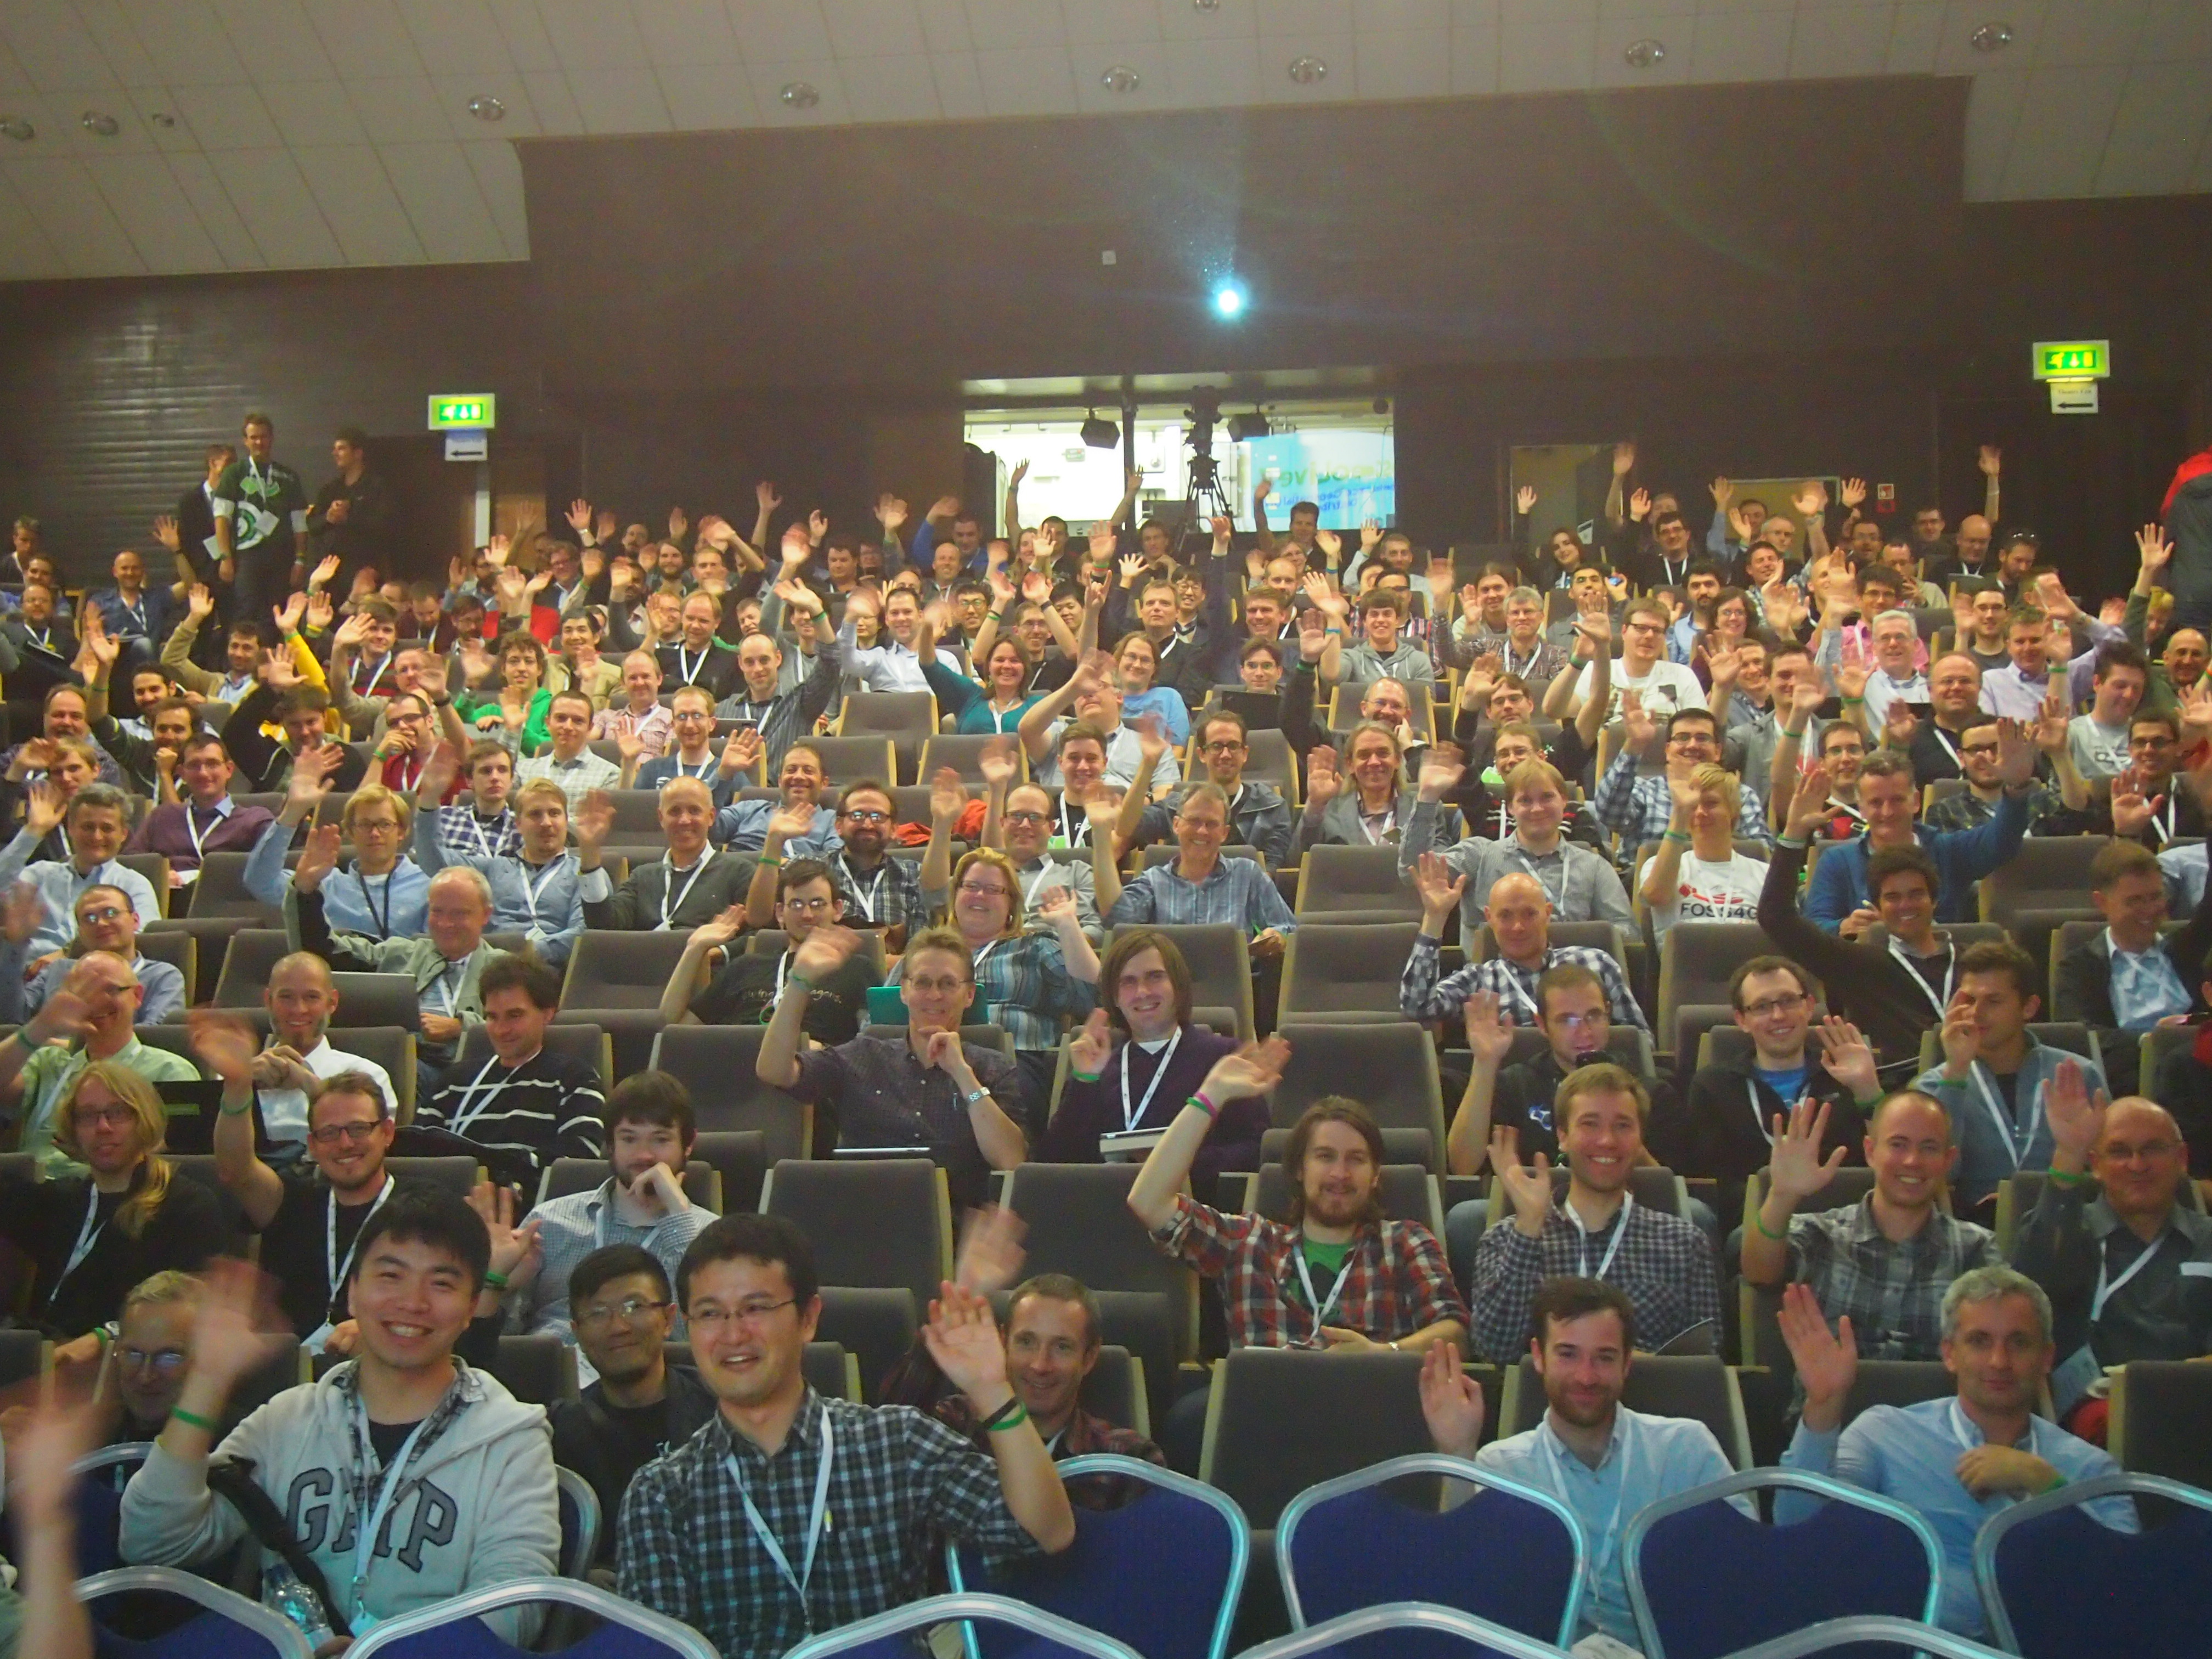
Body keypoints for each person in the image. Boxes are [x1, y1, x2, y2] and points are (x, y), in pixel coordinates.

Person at [620, 1210, 1076, 1654]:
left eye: (756, 1308)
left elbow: (1046, 1532)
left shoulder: (897, 1444)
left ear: (809, 1318)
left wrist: (993, 1391)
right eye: (710, 1314)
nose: (734, 1334)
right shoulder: (661, 1492)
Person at [118, 1204, 562, 1648]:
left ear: (471, 1308)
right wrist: (207, 1383)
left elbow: (513, 1612)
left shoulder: (513, 1438)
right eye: (391, 1276)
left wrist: (383, 1655)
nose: (413, 1302)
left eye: (442, 1283)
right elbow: (154, 1543)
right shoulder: (286, 1421)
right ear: (352, 1294)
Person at [1131, 1066, 1468, 1464]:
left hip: (1370, 1423)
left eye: (1356, 1160)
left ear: (1376, 1175)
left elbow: (1455, 1335)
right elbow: (1149, 1201)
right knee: (1191, 1419)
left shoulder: (1406, 1241)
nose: (1340, 1174)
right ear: (1298, 1169)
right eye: (1325, 1157)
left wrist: (1385, 1353)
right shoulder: (1249, 1242)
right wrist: (1211, 1096)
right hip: (1264, 1429)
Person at [1776, 1269, 2134, 1639]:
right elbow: (1800, 1531)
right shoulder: (1885, 1434)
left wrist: (2044, 1483)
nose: (1999, 1361)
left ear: (2046, 1358)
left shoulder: (2090, 1467)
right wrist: (1823, 1406)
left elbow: (2122, 1589)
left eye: (2019, 1343)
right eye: (1979, 1341)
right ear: (1949, 1353)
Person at [1420, 1279, 1750, 1652]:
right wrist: (1456, 1453)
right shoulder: (1501, 1467)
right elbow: (1462, 1588)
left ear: (1628, 1362)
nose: (1586, 1376)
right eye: (1568, 1354)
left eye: (1604, 1357)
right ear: (1539, 1357)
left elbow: (1742, 1576)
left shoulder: (1686, 1450)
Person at [759, 922, 1024, 1208]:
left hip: (956, 1223)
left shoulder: (993, 1068)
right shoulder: (862, 1054)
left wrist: (963, 1075)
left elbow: (1011, 1160)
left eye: (948, 984)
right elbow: (774, 1071)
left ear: (969, 995)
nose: (934, 995)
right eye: (922, 982)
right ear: (904, 991)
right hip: (864, 1215)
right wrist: (800, 983)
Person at [1468, 1064, 1720, 1361]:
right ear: (1562, 1136)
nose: (1607, 1141)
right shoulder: (1504, 1239)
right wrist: (1529, 1229)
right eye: (1590, 1124)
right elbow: (1494, 1353)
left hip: (1652, 1403)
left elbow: (1705, 1372)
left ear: (1641, 1139)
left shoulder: (1685, 1245)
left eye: (1623, 1126)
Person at [1745, 1090, 2001, 1373]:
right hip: (1833, 1412)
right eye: (1898, 1145)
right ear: (1870, 1152)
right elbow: (1759, 1273)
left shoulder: (1975, 1249)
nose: (1912, 1161)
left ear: (1948, 1160)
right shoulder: (1822, 1234)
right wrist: (1782, 1195)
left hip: (1933, 1413)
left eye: (1929, 1148)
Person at [198, 1009, 405, 1352]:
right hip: (288, 1370)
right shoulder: (291, 1199)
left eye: (358, 1129)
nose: (345, 1144)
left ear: (386, 1133)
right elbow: (236, 1169)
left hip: (384, 1358)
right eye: (329, 1133)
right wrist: (237, 1086)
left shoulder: (422, 1209)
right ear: (312, 1145)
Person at [2012, 1086, 2212, 1437]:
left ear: (2182, 1159)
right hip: (2085, 1425)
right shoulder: (2067, 1230)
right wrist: (2068, 1155)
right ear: (2096, 1165)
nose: (2137, 1165)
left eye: (2152, 1149)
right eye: (2119, 1152)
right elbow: (2025, 1291)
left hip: (2199, 1406)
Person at [488, 1073, 712, 1377]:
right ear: (610, 1145)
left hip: (648, 1388)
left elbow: (704, 1342)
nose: (644, 1155)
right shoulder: (550, 1221)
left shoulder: (710, 1238)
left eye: (661, 1140)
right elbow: (501, 1342)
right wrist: (506, 1286)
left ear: (688, 1146)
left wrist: (679, 1214)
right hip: (549, 1384)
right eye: (629, 1139)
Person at [0, 1063, 226, 1347]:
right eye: (87, 1116)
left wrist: (104, 1337)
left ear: (143, 1119)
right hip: (41, 1355)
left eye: (117, 1113)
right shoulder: (63, 1200)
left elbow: (188, 1308)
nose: (103, 1127)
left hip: (123, 1363)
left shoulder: (186, 1206)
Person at [1761, 793, 1987, 1072]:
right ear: (1877, 906)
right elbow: (1776, 918)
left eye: (1916, 894)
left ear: (1935, 901)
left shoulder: (1975, 964)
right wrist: (1794, 833)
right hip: (1901, 1099)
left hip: (1982, 1088)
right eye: (1893, 897)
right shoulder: (1860, 966)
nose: (1906, 905)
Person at [1036, 929, 1268, 1200]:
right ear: (1114, 998)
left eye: (1155, 977)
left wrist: (1173, 1164)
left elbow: (1254, 1150)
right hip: (1104, 1211)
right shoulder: (1099, 1065)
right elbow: (1055, 1161)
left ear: (1178, 987)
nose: (1142, 992)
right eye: (1128, 982)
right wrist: (1085, 1083)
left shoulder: (1223, 1058)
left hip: (1195, 1212)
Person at [915, 789, 1100, 1129]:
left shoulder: (1035, 947)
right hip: (925, 1063)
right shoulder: (929, 951)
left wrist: (1068, 926)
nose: (979, 896)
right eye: (970, 886)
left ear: (1011, 904)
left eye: (993, 890)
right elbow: (878, 1013)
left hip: (1011, 1065)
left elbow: (1093, 996)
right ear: (955, 895)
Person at [289, 823, 506, 1096]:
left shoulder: (505, 969)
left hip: (473, 1072)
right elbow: (325, 954)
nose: (446, 924)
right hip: (400, 1061)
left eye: (459, 914)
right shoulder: (402, 953)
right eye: (437, 912)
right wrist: (306, 892)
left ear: (485, 915)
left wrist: (461, 1027)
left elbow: (527, 1026)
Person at [548, 1243, 718, 1571]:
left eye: (634, 1306)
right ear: (576, 1333)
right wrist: (581, 1574)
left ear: (668, 1319)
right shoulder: (561, 1432)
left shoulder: (720, 1407)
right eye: (598, 1313)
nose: (618, 1327)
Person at [1913, 948, 2113, 1211]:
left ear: (2029, 1007)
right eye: (1969, 1000)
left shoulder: (2078, 1075)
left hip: (2067, 1218)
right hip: (1972, 1225)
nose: (1976, 1013)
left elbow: (2109, 1167)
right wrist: (1956, 1074)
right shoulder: (1931, 1086)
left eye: (1993, 1001)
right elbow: (1937, 1176)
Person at [1680, 959, 1871, 1205]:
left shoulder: (1845, 1076)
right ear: (1741, 1020)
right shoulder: (1713, 1087)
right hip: (1753, 1221)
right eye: (1761, 1007)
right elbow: (1713, 1188)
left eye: (1789, 1001)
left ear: (1809, 1006)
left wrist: (1868, 1089)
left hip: (1842, 1218)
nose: (1778, 1016)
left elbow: (1882, 1163)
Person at [1801, 736, 2035, 932]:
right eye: (1876, 803)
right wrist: (1845, 927)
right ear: (1861, 808)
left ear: (1916, 801)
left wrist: (2016, 787)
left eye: (1897, 800)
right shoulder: (1837, 861)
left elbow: (2002, 841)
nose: (1887, 812)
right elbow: (1815, 926)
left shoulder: (1948, 851)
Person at [413, 954, 605, 1184]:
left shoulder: (574, 1079)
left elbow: (578, 1161)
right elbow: (417, 1155)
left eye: (515, 1016)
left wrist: (497, 1179)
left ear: (547, 1013)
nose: (501, 1030)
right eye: (492, 1018)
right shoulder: (453, 1081)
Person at [0, 952, 199, 1173]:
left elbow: (176, 1159)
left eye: (111, 990)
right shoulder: (50, 1062)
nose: (98, 1002)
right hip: (31, 1195)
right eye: (85, 994)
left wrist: (97, 1157)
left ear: (137, 995)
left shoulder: (169, 1070)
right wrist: (41, 1026)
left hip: (118, 1197)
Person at [1401, 860, 1646, 1032]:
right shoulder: (1478, 982)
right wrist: (1435, 919)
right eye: (1505, 916)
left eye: (1530, 914)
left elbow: (1638, 1039)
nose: (1518, 927)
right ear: (1489, 918)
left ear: (1548, 914)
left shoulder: (1595, 963)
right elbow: (1417, 1007)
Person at [2052, 838, 2212, 1099]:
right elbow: (2082, 1037)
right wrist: (2152, 1040)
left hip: (2200, 1079)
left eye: (2156, 896)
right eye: (2135, 901)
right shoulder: (2079, 967)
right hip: (2130, 1086)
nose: (2149, 910)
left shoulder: (2186, 950)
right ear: (2101, 902)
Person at [1403, 756, 1632, 939]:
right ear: (1510, 808)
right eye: (1525, 801)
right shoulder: (1479, 855)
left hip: (1570, 981)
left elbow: (1627, 932)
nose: (1537, 809)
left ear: (1564, 801)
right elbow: (1412, 871)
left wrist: (1574, 939)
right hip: (1492, 985)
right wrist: (1427, 797)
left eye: (1547, 797)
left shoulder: (1593, 866)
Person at [669, 866, 879, 1049]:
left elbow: (879, 1045)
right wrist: (694, 949)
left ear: (837, 910)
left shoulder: (858, 969)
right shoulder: (745, 966)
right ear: (780, 913)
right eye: (796, 904)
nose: (807, 914)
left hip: (816, 1077)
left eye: (817, 904)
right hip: (737, 1069)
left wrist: (827, 1054)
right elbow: (677, 1031)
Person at [415, 748, 584, 968]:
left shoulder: (583, 872)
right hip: (491, 970)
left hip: (552, 970)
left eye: (554, 813)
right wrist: (429, 798)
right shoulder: (494, 868)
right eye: (535, 814)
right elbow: (435, 862)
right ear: (519, 825)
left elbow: (583, 933)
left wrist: (526, 953)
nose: (546, 823)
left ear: (565, 821)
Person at [1097, 782, 1297, 958]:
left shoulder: (1248, 874)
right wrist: (1102, 836)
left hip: (1236, 990)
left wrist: (1277, 936)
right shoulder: (1153, 881)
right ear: (1176, 825)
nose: (1202, 831)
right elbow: (1116, 919)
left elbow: (1289, 928)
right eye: (1194, 821)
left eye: (1211, 824)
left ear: (1225, 833)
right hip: (1168, 994)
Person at [250, 762, 430, 943]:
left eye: (385, 824)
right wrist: (293, 811)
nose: (375, 834)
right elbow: (260, 881)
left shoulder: (429, 885)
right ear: (350, 833)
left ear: (402, 832)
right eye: (365, 825)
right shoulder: (324, 883)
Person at [1592, 703, 1773, 862]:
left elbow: (1763, 852)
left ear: (1718, 751)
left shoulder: (1741, 794)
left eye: (1703, 738)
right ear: (1668, 750)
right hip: (1647, 888)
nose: (1692, 745)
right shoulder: (1644, 790)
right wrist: (1635, 745)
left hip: (1723, 888)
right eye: (1683, 738)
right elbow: (1609, 814)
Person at [0, 780, 161, 958]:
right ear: (71, 828)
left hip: (93, 975)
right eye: (88, 827)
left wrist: (67, 954)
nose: (97, 837)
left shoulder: (134, 884)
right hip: (26, 975)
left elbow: (139, 940)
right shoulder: (41, 874)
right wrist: (34, 831)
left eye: (107, 828)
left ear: (123, 834)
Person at [1120, 709, 1294, 868]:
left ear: (1245, 753)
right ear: (1202, 755)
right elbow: (1127, 827)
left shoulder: (1272, 808)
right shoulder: (1178, 804)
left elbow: (1270, 872)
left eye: (1233, 746)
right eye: (1217, 746)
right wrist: (1149, 764)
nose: (1225, 755)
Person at [575, 777, 753, 932]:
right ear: (661, 818)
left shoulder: (739, 872)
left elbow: (750, 937)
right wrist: (590, 851)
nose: (684, 820)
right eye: (675, 811)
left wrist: (717, 953)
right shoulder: (642, 877)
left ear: (711, 816)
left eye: (694, 811)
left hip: (708, 967)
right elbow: (603, 925)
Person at [0, 879, 186, 1026]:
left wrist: (69, 1046)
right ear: (80, 931)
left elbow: (155, 1036)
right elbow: (11, 1017)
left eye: (111, 913)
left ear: (135, 920)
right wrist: (16, 945)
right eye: (89, 918)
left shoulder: (162, 976)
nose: (101, 923)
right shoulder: (57, 971)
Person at [123, 732, 275, 885]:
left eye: (212, 764)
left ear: (229, 770)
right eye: (194, 765)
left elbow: (272, 867)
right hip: (170, 899)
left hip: (225, 899)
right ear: (182, 773)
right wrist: (159, 876)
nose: (203, 773)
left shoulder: (255, 820)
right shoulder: (161, 817)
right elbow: (133, 863)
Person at [1639, 763, 1769, 934]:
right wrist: (1680, 814)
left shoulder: (1765, 874)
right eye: (1693, 806)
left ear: (1733, 812)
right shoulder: (1656, 865)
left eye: (1711, 803)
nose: (1700, 812)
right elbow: (1656, 896)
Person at [210, 411, 308, 622]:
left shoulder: (288, 476)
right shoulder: (234, 473)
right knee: (246, 611)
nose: (259, 442)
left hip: (281, 558)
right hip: (247, 557)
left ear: (271, 439)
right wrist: (225, 558)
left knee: (277, 614)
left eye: (263, 436)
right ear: (245, 441)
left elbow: (299, 523)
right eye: (254, 437)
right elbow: (221, 518)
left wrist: (300, 560)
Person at [712, 740, 836, 855]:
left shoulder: (832, 821)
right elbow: (708, 827)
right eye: (791, 770)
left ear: (824, 783)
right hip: (738, 873)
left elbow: (836, 864)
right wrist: (724, 773)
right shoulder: (749, 810)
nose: (798, 776)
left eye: (808, 771)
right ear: (780, 781)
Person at [303, 425, 393, 579]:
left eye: (341, 449)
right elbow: (312, 525)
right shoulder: (330, 489)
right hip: (331, 568)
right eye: (335, 449)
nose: (335, 454)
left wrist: (348, 518)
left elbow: (385, 524)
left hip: (364, 567)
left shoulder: (376, 486)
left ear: (358, 453)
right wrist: (329, 517)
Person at [513, 689, 622, 806]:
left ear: (590, 728)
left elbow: (602, 823)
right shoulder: (524, 769)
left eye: (578, 721)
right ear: (548, 722)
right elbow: (500, 806)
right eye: (561, 718)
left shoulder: (609, 774)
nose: (568, 726)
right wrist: (512, 730)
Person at [438, 740, 523, 861]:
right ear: (469, 781)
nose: (495, 777)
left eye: (502, 770)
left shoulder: (522, 827)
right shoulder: (444, 818)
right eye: (486, 771)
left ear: (512, 779)